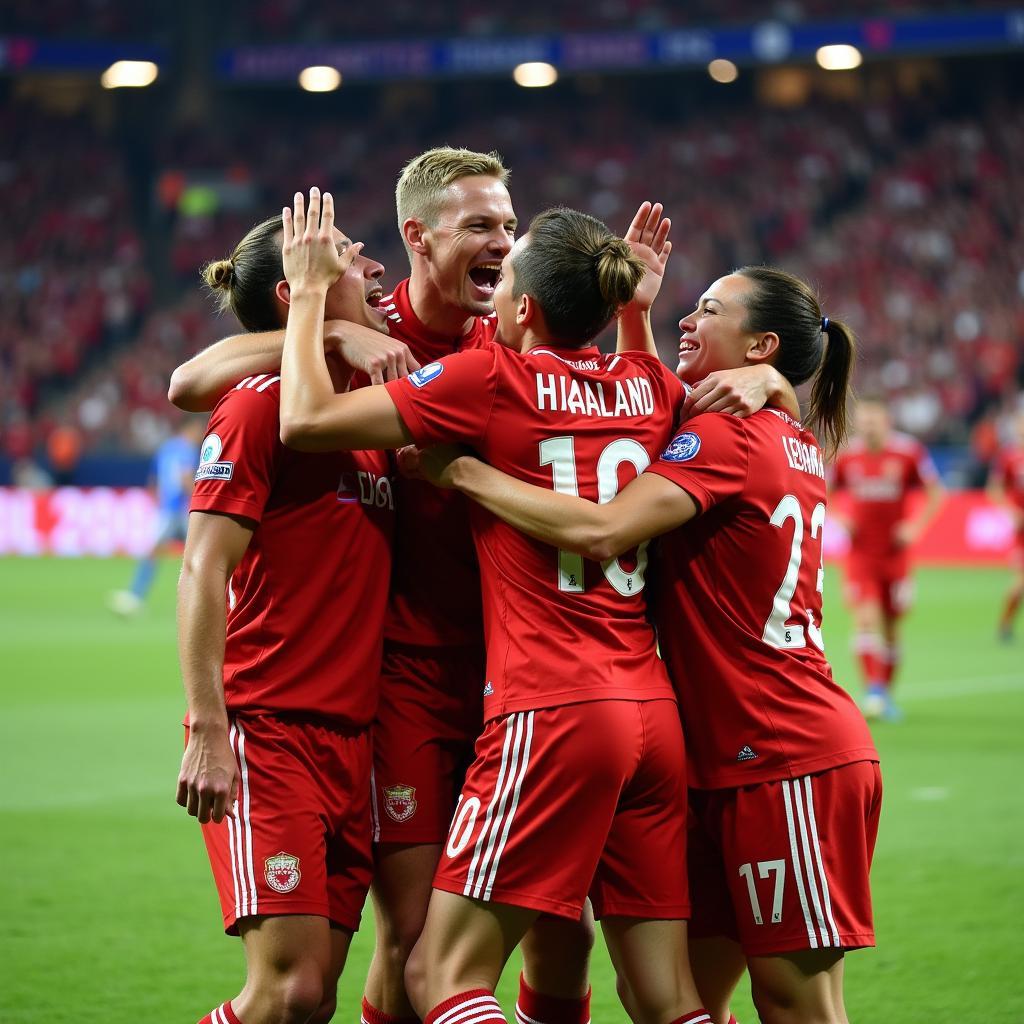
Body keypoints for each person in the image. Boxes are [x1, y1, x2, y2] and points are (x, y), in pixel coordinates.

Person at [168, 151, 788, 1024]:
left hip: (527, 682)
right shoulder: (376, 348)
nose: (501, 241)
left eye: (509, 226)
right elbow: (193, 382)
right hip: (416, 689)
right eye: (481, 227)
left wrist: (770, 378)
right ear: (418, 238)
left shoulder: (494, 352)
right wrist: (329, 329)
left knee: (559, 933)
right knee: (418, 940)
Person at [278, 186, 716, 1024]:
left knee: (439, 975)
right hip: (651, 713)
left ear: (522, 302)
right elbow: (658, 386)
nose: (498, 252)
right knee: (666, 996)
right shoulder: (655, 389)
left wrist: (306, 299)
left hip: (549, 704)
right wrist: (662, 329)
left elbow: (304, 420)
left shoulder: (491, 374)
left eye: (509, 246)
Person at [419, 266, 881, 1024]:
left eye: (708, 310)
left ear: (762, 345)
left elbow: (603, 528)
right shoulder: (779, 429)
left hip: (784, 754)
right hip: (717, 755)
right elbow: (648, 416)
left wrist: (466, 472)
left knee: (797, 1004)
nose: (687, 321)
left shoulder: (725, 433)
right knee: (665, 998)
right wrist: (759, 377)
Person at [175, 211, 396, 1024]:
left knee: (315, 998)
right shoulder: (258, 405)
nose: (374, 265)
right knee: (289, 992)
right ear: (295, 290)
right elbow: (203, 566)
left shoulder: (369, 403)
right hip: (267, 727)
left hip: (356, 738)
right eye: (346, 255)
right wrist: (207, 726)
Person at [831, 396, 945, 720]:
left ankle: (885, 692)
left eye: (873, 419)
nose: (867, 425)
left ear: (886, 421)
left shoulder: (908, 453)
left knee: (893, 628)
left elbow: (936, 494)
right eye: (863, 419)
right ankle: (874, 691)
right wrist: (842, 518)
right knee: (866, 619)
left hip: (896, 556)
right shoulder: (847, 455)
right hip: (861, 554)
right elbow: (826, 492)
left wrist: (915, 526)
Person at [109, 417, 204, 616]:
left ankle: (136, 594)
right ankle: (136, 595)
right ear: (191, 428)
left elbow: (154, 479)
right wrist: (199, 499)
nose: (200, 435)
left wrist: (158, 500)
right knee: (199, 553)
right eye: (198, 430)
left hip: (167, 509)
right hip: (178, 511)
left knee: (164, 553)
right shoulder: (186, 450)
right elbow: (185, 477)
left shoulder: (167, 448)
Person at [987, 407, 1024, 641]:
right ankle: (1005, 623)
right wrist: (1011, 512)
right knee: (1020, 583)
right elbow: (994, 489)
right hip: (1022, 532)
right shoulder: (1010, 457)